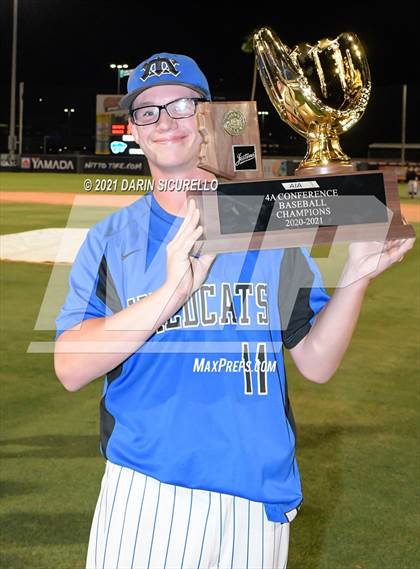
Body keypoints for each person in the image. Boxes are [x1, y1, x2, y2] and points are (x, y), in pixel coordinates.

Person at [54, 53, 415, 569]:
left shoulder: (269, 228)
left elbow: (316, 362)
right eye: (149, 111)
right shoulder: (112, 239)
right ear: (133, 129)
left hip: (255, 490)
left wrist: (356, 274)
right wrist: (168, 296)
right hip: (147, 487)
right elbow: (69, 367)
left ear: (208, 118)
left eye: (181, 105)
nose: (167, 121)